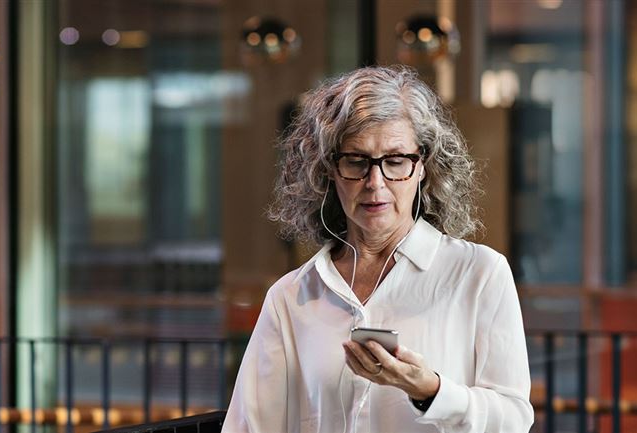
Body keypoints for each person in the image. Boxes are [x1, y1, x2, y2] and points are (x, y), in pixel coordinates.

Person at [224, 66, 532, 433]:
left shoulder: (479, 273)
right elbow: (249, 427)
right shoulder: (291, 297)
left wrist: (429, 389)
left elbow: (514, 419)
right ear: (328, 171)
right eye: (356, 161)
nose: (375, 183)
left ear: (423, 167)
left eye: (395, 161)